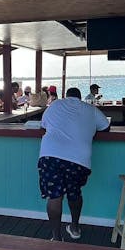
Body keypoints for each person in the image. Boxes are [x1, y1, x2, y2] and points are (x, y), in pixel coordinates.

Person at [38, 87, 110, 241]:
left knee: (54, 197)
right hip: (78, 159)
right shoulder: (91, 109)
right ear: (80, 97)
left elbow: (43, 126)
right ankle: (75, 228)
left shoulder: (55, 105)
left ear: (66, 96)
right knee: (74, 192)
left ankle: (56, 238)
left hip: (50, 155)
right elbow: (106, 127)